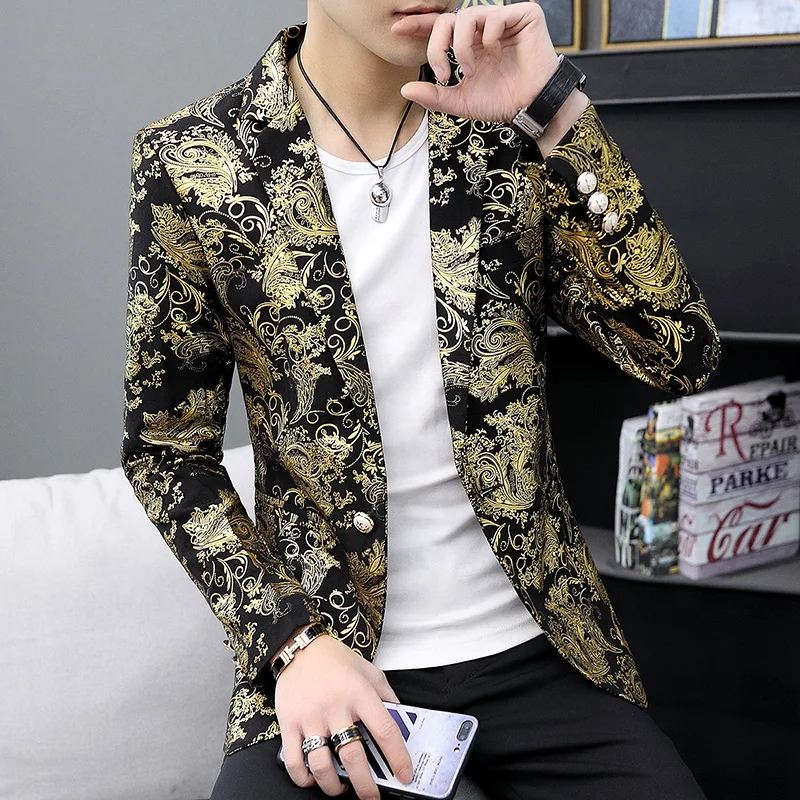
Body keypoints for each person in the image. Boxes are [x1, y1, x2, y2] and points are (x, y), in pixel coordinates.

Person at [120, 2, 721, 799]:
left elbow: (678, 352)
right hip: (332, 656)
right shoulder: (193, 159)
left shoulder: (505, 128)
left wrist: (554, 110)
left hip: (542, 651)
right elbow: (167, 454)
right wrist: (292, 645)